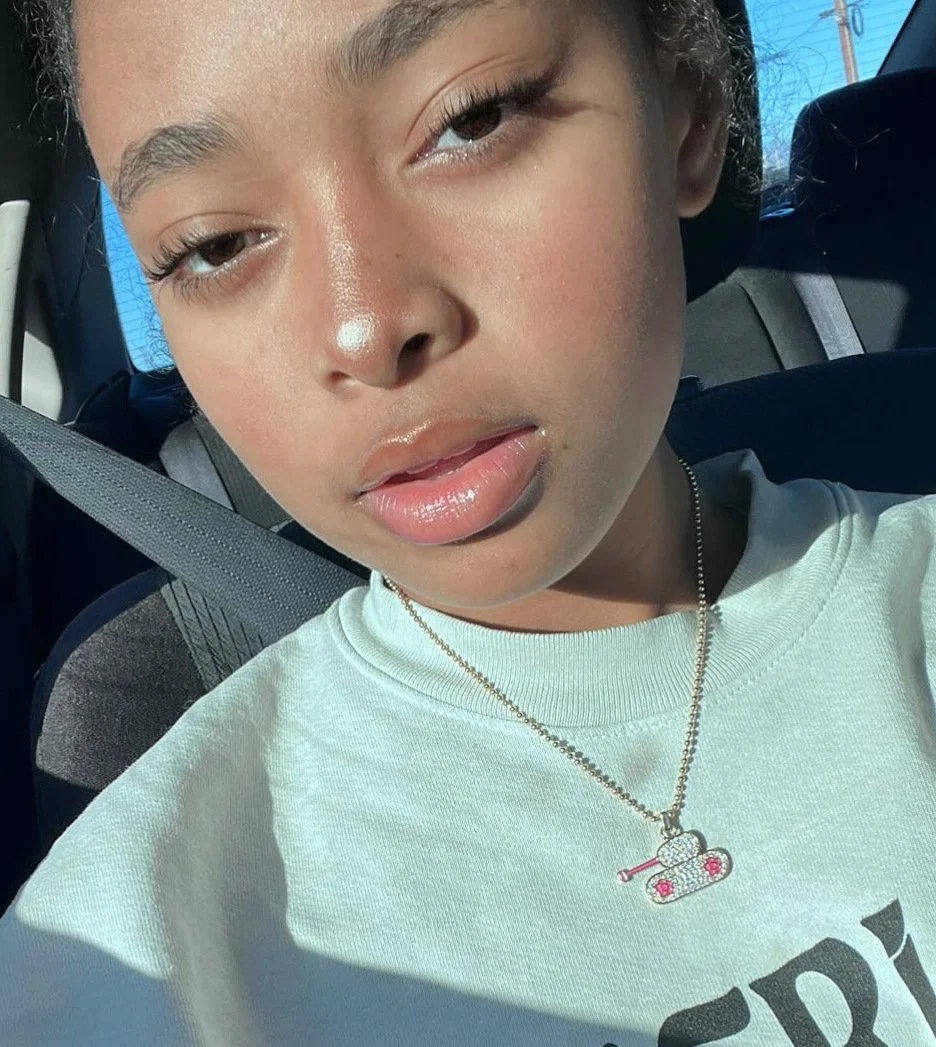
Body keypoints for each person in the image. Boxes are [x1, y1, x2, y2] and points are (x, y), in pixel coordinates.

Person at [2, 0, 936, 1043]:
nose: (364, 324)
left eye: (473, 120)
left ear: (687, 100)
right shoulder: (125, 947)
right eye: (215, 244)